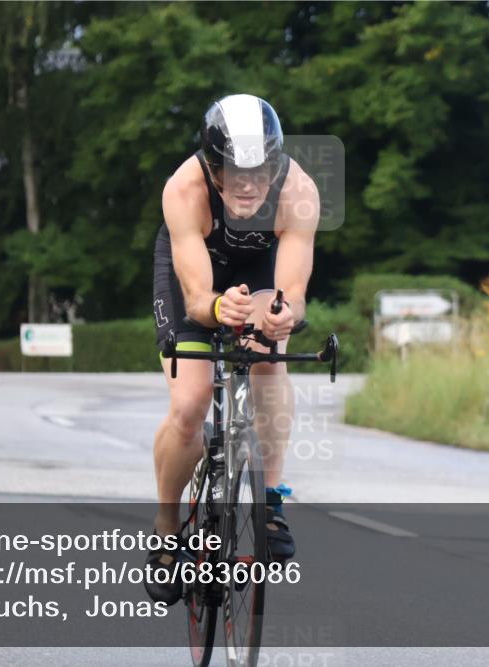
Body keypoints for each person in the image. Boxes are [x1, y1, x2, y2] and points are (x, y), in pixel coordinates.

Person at [146, 94, 320, 605]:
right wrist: (219, 308)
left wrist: (284, 314)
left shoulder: (299, 191)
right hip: (194, 276)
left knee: (269, 358)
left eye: (259, 170)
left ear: (275, 164)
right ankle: (164, 528)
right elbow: (199, 299)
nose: (246, 184)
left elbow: (294, 293)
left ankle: (270, 500)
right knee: (190, 404)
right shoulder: (184, 189)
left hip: (258, 273)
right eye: (231, 171)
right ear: (212, 166)